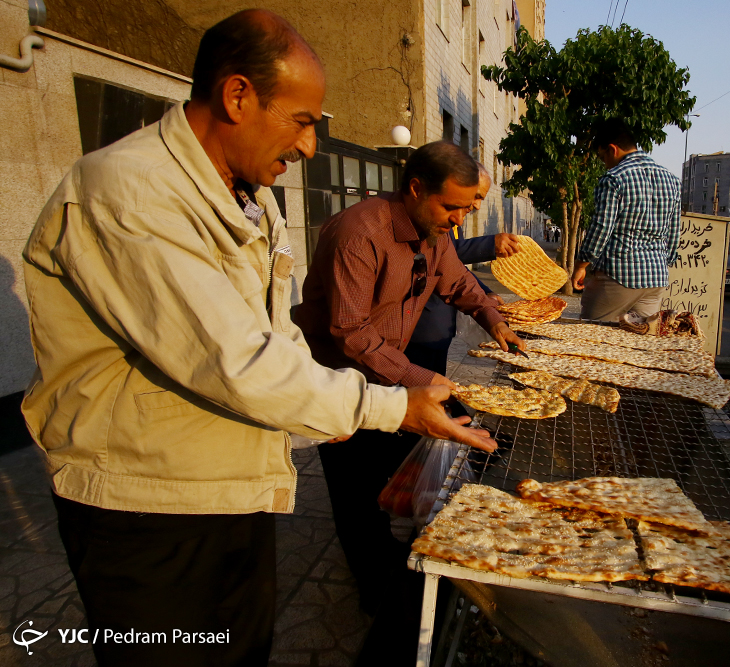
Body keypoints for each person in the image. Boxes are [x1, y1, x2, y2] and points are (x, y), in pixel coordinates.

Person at [20, 11, 494, 667]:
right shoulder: (128, 191)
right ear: (238, 95)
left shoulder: (249, 198)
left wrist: (321, 400)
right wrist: (386, 404)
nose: (308, 147)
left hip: (232, 489)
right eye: (302, 121)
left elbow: (272, 330)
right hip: (147, 510)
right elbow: (232, 358)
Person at [293, 141, 525, 618]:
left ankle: (396, 558)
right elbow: (351, 333)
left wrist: (492, 318)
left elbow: (458, 281)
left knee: (389, 470)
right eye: (452, 206)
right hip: (340, 380)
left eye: (467, 207)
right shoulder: (360, 235)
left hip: (386, 372)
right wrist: (422, 379)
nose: (460, 219)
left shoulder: (433, 232)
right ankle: (376, 594)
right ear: (416, 189)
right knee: (355, 493)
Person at [405, 163, 520, 376]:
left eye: (480, 199)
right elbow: (448, 254)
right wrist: (489, 244)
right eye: (475, 196)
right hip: (422, 324)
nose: (475, 206)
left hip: (440, 323)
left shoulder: (454, 217)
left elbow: (454, 270)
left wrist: (485, 296)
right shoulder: (425, 221)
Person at [571, 119, 681, 322]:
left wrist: (581, 265)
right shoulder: (672, 180)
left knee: (593, 339)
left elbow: (601, 229)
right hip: (655, 278)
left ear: (612, 149)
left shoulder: (614, 178)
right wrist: (661, 263)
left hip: (617, 276)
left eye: (603, 156)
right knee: (639, 342)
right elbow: (673, 235)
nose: (604, 163)